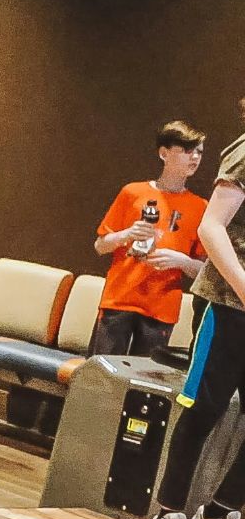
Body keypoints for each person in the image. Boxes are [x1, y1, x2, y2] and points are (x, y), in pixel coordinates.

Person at [144, 107, 245, 519]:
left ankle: (221, 516)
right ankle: (167, 517)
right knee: (202, 407)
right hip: (226, 306)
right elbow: (211, 227)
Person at [90, 121, 208, 357]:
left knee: (142, 386)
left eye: (199, 151)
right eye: (186, 150)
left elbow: (205, 271)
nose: (194, 157)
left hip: (161, 310)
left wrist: (181, 261)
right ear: (164, 153)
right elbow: (100, 246)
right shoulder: (133, 192)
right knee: (101, 380)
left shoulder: (201, 207)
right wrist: (126, 235)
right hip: (119, 300)